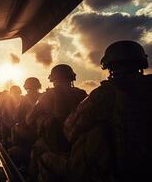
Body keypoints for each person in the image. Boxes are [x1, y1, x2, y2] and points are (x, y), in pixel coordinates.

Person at [64, 40, 152, 182]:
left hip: (116, 173)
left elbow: (69, 130)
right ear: (141, 63)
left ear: (109, 66)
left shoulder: (103, 94)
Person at [26, 64, 87, 181]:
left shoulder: (46, 96)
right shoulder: (82, 94)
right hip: (78, 149)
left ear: (53, 79)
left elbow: (29, 120)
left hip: (56, 147)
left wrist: (42, 120)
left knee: (37, 149)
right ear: (71, 78)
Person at [9, 77, 42, 176]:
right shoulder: (43, 95)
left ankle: (22, 163)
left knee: (15, 128)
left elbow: (18, 117)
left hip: (33, 132)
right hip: (46, 132)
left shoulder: (25, 99)